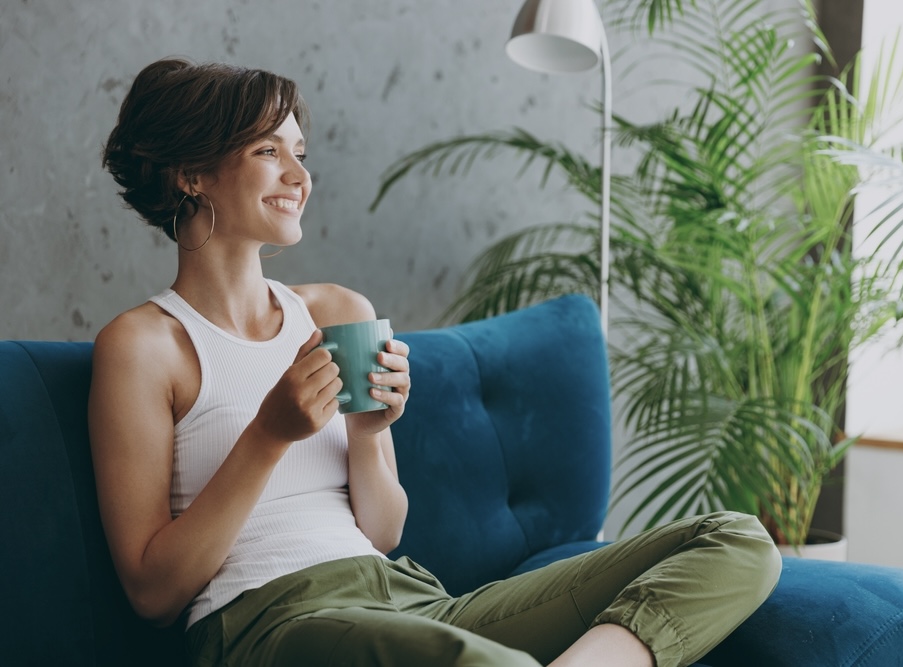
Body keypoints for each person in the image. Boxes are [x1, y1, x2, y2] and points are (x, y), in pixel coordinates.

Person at [91, 57, 782, 667]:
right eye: (269, 152)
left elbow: (384, 531)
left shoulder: (336, 312)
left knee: (738, 540)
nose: (300, 176)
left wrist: (368, 432)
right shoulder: (145, 346)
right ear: (193, 175)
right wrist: (270, 433)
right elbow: (153, 593)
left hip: (408, 597)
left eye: (300, 152)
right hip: (271, 621)